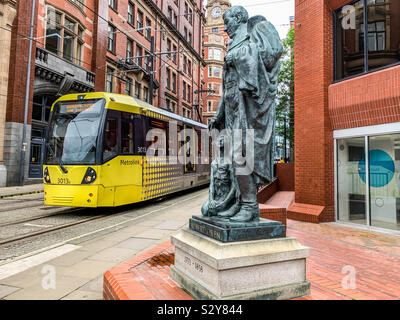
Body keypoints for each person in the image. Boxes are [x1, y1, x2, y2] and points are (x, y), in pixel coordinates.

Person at [208, 6, 282, 222]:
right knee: (233, 158)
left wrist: (238, 56)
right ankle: (240, 203)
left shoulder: (254, 34)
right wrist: (219, 114)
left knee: (242, 156)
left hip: (249, 109)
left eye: (227, 21)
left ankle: (250, 206)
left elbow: (269, 57)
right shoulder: (234, 44)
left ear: (239, 18)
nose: (225, 27)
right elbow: (227, 87)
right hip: (233, 110)